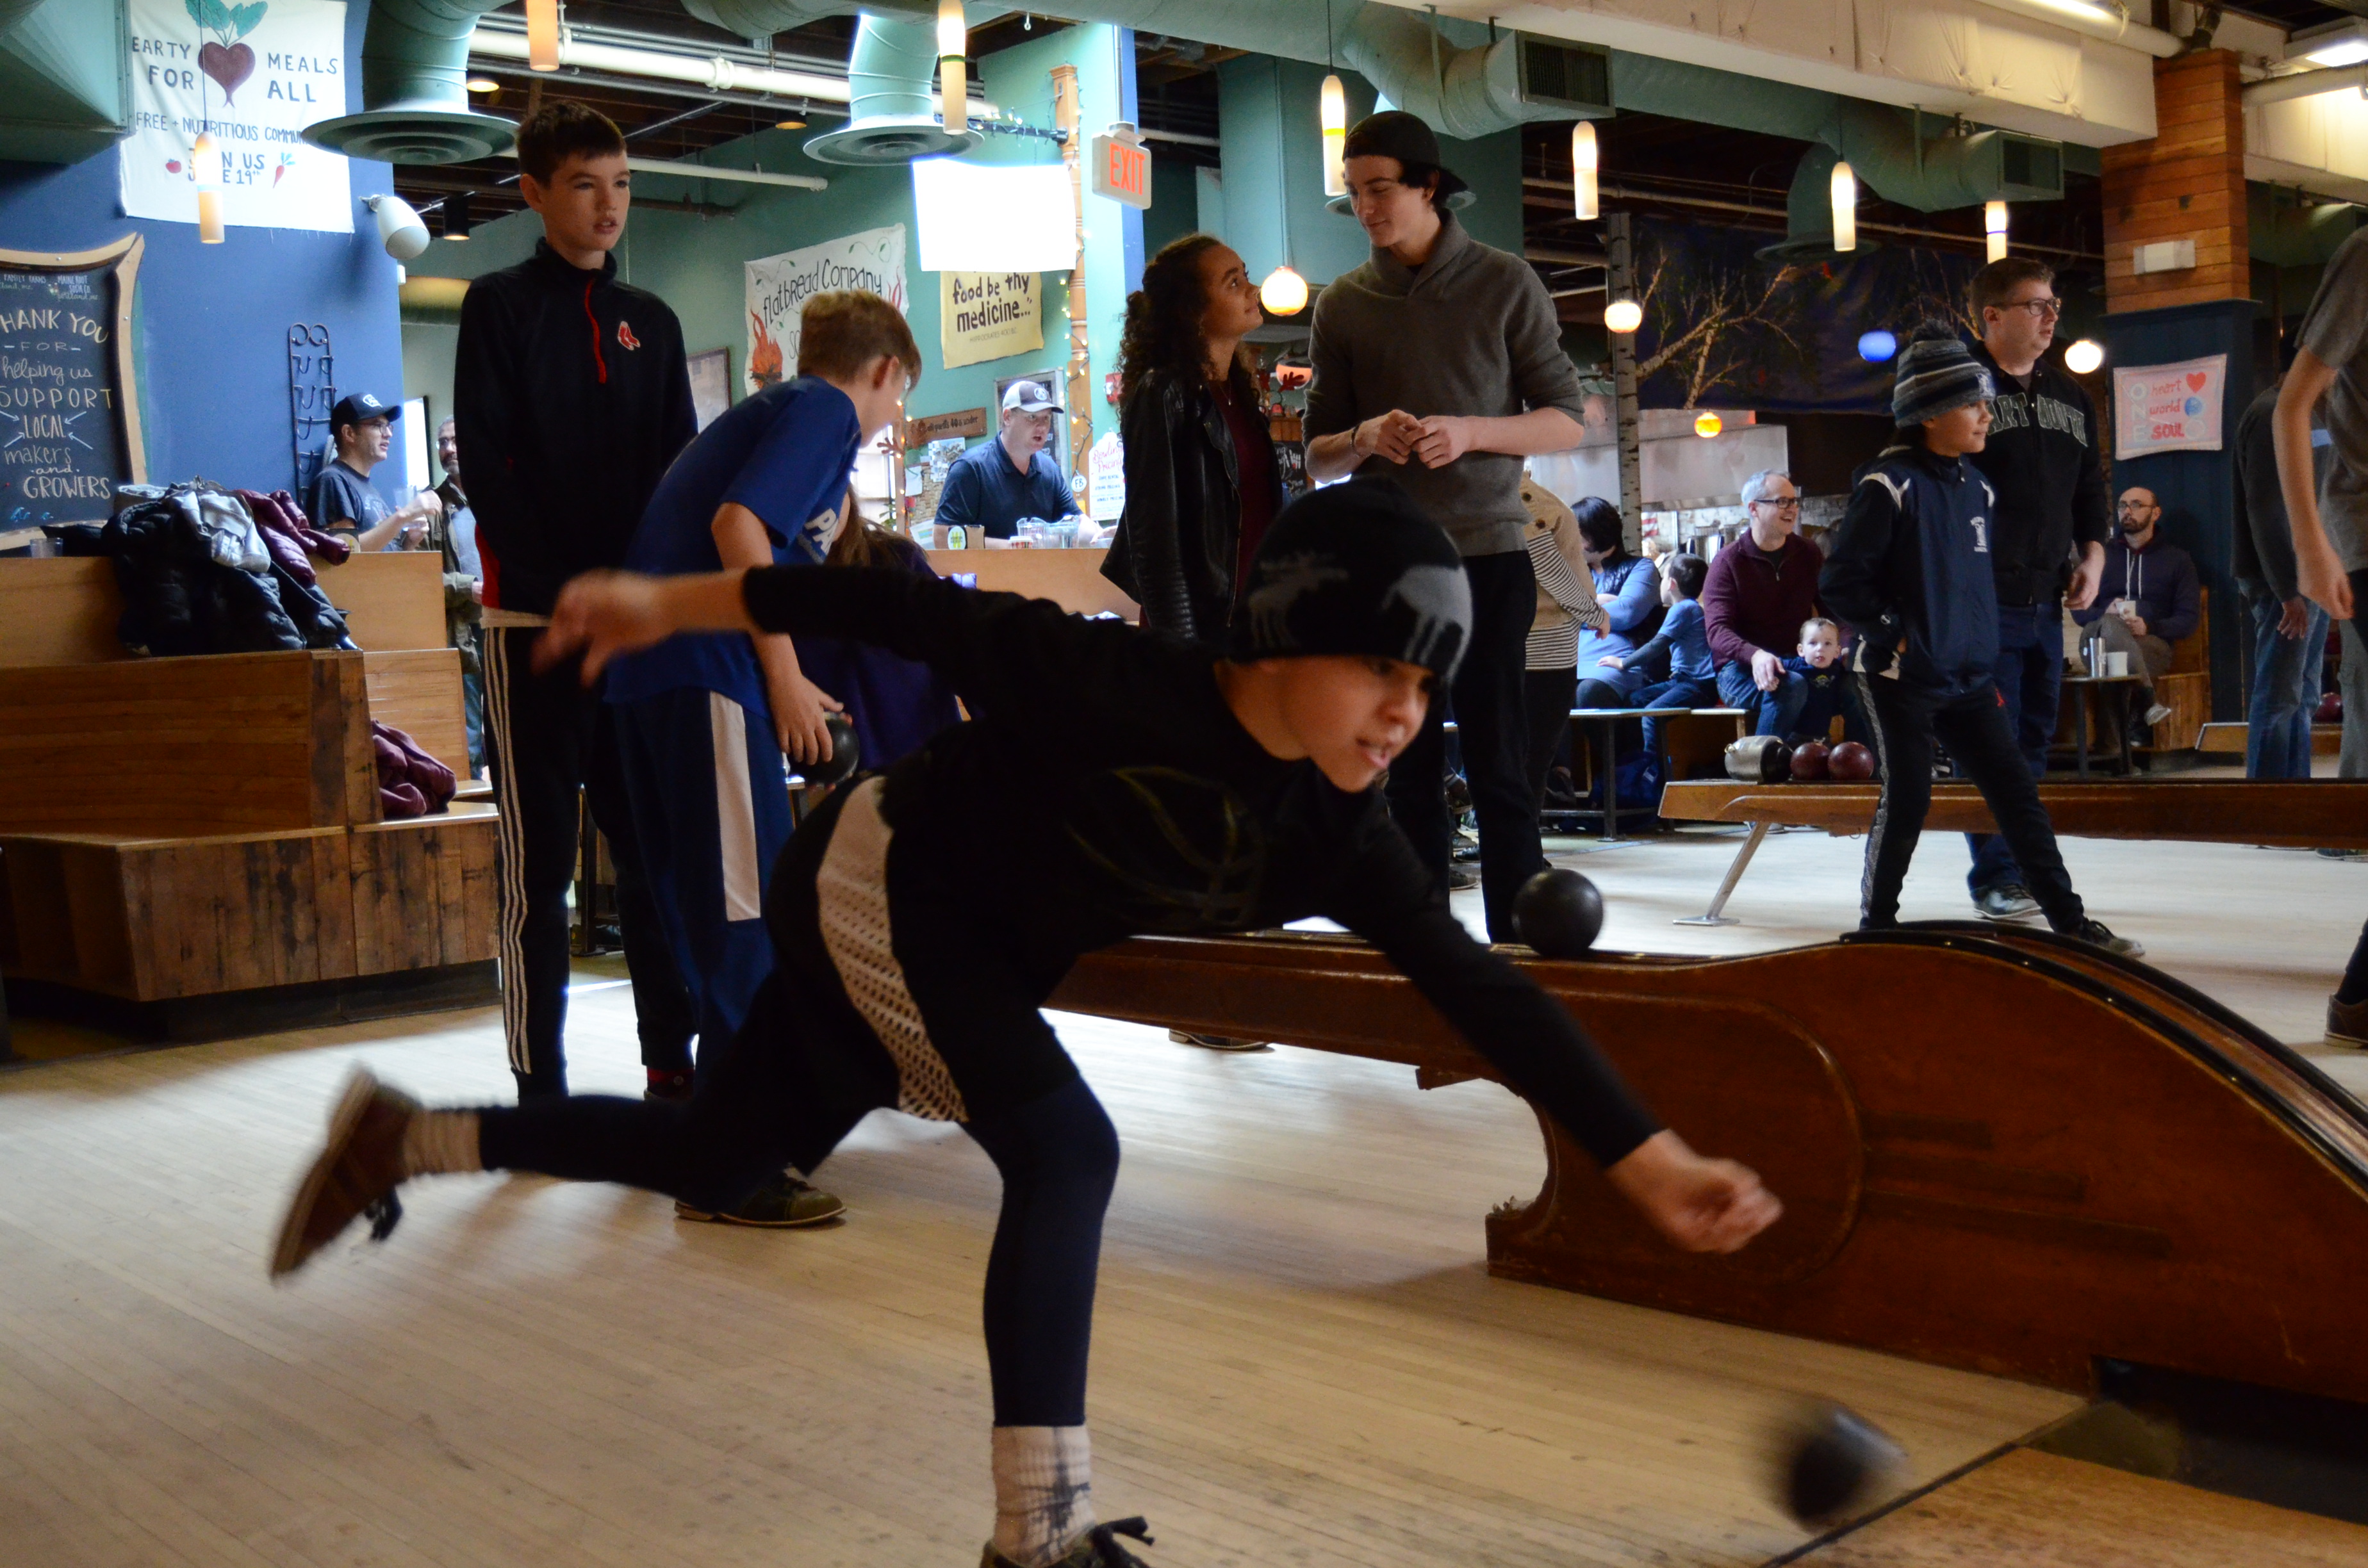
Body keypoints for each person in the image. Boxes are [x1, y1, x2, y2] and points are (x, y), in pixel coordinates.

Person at [270, 479, 1782, 1568]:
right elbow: (887, 605)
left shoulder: (1344, 834)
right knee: (1068, 1149)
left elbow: (1481, 986)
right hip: (884, 873)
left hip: (972, 944)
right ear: (1283, 630)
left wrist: (1644, 1156)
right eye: (1377, 666)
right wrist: (663, 604)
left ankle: (409, 1137)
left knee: (719, 1157)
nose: (1403, 710)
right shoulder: (1112, 678)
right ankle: (1038, 1532)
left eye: (1423, 684)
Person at [600, 290, 923, 1227]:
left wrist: (789, 679)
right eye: (899, 396)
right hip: (704, 672)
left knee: (708, 910)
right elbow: (738, 528)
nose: (891, 417)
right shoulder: (823, 410)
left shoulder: (774, 410)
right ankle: (734, 1163)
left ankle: (719, 1134)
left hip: (651, 679)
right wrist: (781, 677)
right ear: (883, 372)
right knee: (748, 913)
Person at [454, 99, 698, 1100]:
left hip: (635, 636)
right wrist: (567, 596)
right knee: (539, 870)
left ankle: (671, 1067)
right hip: (533, 633)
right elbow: (488, 471)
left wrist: (653, 600)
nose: (609, 205)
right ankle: (539, 1089)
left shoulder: (654, 322)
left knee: (654, 859)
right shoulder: (498, 307)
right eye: (586, 185)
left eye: (623, 184)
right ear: (534, 193)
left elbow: (682, 475)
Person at [1303, 109, 1586, 942]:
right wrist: (1362, 436)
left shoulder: (1504, 282)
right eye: (1354, 193)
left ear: (1429, 187)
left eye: (1379, 189)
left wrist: (1471, 431)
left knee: (1502, 769)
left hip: (1491, 555)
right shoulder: (1344, 304)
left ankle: (1519, 950)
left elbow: (1566, 420)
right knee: (1406, 772)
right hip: (1389, 565)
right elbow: (1316, 457)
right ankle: (1425, 949)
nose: (1364, 208)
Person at [1820, 323, 2138, 957]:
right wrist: (1897, 636)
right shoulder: (1887, 486)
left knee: (2018, 794)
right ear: (1930, 413)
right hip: (1899, 679)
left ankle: (2071, 925)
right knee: (1909, 799)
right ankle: (1877, 927)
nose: (1987, 415)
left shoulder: (1978, 487)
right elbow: (1840, 583)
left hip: (1969, 677)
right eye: (1974, 404)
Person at [1957, 257, 2111, 924]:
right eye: (2035, 306)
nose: (2050, 317)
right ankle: (1996, 876)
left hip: (2048, 596)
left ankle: (2023, 866)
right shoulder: (1958, 387)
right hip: (1980, 597)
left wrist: (2095, 555)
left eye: (2054, 305)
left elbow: (2090, 487)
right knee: (1991, 742)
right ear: (1992, 316)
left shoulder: (2071, 396)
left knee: (2035, 738)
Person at [2275, 224, 2368, 1045]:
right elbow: (2293, 404)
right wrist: (2311, 547)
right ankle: (2362, 995)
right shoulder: (2367, 256)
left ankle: (2364, 996)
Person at [1101, 235, 1283, 644]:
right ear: (1193, 310)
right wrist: (1182, 652)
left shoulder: (1237, 393)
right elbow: (1156, 543)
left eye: (1246, 277)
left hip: (1250, 625)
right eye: (1233, 283)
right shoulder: (1164, 392)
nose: (1253, 290)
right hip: (1197, 634)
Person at [2235, 376, 2333, 780]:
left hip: (2314, 575)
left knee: (2305, 695)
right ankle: (2267, 802)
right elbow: (2266, 509)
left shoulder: (2313, 414)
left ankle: (2296, 795)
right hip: (2285, 579)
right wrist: (2288, 590)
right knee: (2279, 696)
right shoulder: (2271, 413)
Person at [2071, 487, 2199, 742]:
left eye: (2137, 505)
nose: (2127, 511)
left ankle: (2113, 749)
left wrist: (2149, 627)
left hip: (2150, 643)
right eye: (2122, 505)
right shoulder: (2101, 557)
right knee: (2110, 626)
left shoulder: (2177, 560)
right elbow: (2079, 611)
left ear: (2156, 513)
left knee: (2116, 663)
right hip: (2096, 640)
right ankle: (2146, 702)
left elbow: (2188, 619)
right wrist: (2104, 612)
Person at [1700, 469, 1820, 737]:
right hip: (1738, 669)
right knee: (1790, 687)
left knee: (1850, 685)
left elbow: (1831, 610)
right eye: (1782, 501)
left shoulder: (1808, 553)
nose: (1792, 509)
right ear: (1753, 508)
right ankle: (1759, 760)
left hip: (1795, 660)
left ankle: (1855, 764)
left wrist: (1844, 645)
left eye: (1794, 501)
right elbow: (1717, 632)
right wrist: (1755, 655)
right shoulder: (1728, 561)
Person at [1520, 476, 1605, 809]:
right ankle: (1524, 841)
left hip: (1521, 637)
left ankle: (1519, 839)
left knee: (1517, 760)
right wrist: (1594, 612)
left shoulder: (1495, 487)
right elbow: (1545, 562)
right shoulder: (1519, 492)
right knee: (1533, 760)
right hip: (1546, 642)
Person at [1595, 553, 1713, 788]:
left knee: (1652, 714)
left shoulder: (1683, 609)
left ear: (1671, 584)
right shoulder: (1690, 608)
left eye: (1663, 578)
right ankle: (1634, 761)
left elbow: (1657, 645)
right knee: (1636, 699)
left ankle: (1651, 776)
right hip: (1683, 681)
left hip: (1698, 684)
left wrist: (1623, 663)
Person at [934, 380, 1084, 545]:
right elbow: (942, 537)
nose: (1042, 427)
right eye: (1032, 417)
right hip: (989, 564)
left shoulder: (1049, 470)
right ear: (1007, 417)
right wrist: (1015, 548)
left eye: (1046, 418)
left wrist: (1102, 535)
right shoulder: (970, 468)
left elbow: (1079, 523)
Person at [309, 391, 442, 553]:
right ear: (349, 433)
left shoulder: (366, 486)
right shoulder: (333, 480)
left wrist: (409, 543)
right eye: (377, 425)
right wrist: (404, 516)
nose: (388, 434)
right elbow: (345, 555)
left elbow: (380, 559)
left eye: (388, 426)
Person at [432, 418, 486, 773]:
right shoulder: (431, 506)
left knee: (512, 726)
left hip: (504, 625)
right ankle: (473, 800)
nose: (449, 449)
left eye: (455, 440)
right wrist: (469, 587)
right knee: (467, 739)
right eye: (442, 442)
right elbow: (420, 582)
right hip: (461, 634)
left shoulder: (500, 497)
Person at [1571, 497, 1661, 708]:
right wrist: (1598, 603)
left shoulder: (1641, 568)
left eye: (1575, 534)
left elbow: (1626, 613)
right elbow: (1553, 611)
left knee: (1589, 693)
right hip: (1571, 664)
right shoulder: (1575, 573)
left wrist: (1575, 609)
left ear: (1593, 536)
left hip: (1622, 665)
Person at [1786, 617, 1859, 746]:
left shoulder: (1837, 667)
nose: (1820, 648)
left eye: (1827, 644)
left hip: (1823, 738)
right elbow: (1774, 665)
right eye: (1813, 643)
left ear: (1837, 651)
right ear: (1801, 650)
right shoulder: (1794, 666)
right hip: (1794, 737)